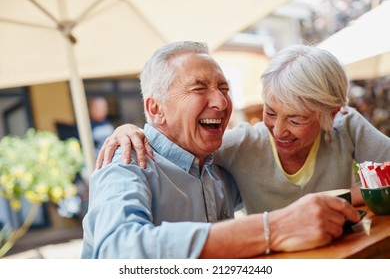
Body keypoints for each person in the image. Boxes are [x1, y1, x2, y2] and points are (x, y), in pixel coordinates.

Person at [81, 41, 360, 259]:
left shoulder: (218, 168)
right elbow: (116, 251)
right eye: (199, 88)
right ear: (156, 109)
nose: (221, 101)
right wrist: (269, 230)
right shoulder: (127, 160)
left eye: (223, 88)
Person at [97, 44, 390, 214]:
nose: (279, 130)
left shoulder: (347, 126)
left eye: (297, 119)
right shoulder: (241, 145)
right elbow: (181, 143)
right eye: (271, 112)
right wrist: (130, 130)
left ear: (332, 113)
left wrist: (344, 199)